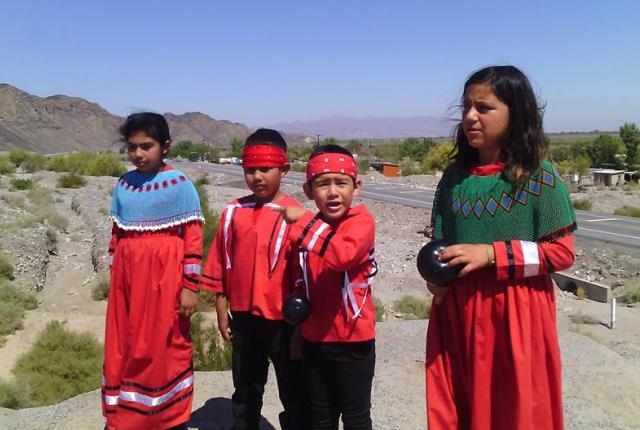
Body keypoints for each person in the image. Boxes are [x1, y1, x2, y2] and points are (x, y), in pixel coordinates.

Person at [424, 65, 577, 430]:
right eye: (466, 108)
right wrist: (437, 278)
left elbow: (560, 253)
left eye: (483, 107)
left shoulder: (539, 176)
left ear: (516, 112)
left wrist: (492, 254)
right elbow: (441, 244)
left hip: (516, 314)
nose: (470, 117)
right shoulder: (454, 179)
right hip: (459, 310)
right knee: (460, 404)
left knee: (514, 409)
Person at [101, 112, 204, 430]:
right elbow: (117, 233)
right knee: (126, 342)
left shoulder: (179, 185)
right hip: (128, 281)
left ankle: (165, 416)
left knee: (162, 341)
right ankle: (127, 414)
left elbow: (193, 237)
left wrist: (190, 286)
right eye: (132, 147)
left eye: (146, 146)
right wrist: (116, 271)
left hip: (165, 280)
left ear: (166, 146)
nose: (138, 154)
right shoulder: (124, 185)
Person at [201, 128, 308, 430]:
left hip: (285, 323)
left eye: (265, 169)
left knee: (294, 390)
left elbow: (305, 275)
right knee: (246, 386)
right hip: (245, 319)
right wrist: (221, 304)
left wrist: (301, 329)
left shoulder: (297, 215)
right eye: (250, 170)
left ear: (284, 169)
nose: (257, 177)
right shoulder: (233, 212)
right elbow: (223, 259)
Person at [276, 144, 378, 430]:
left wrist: (305, 220)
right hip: (314, 339)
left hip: (353, 342)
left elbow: (342, 256)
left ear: (356, 187)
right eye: (322, 184)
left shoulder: (361, 223)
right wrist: (298, 329)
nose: (333, 192)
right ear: (309, 191)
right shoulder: (311, 228)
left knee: (356, 418)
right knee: (320, 418)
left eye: (341, 183)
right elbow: (301, 277)